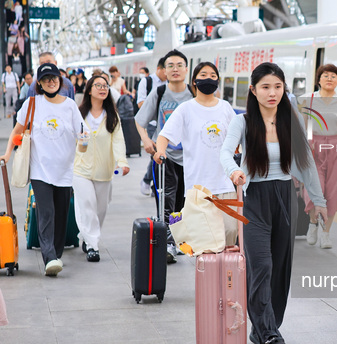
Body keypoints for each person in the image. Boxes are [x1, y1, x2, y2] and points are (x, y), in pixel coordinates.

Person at [220, 62, 327, 344]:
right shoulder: (242, 122)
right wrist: (233, 171)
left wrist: (318, 200)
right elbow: (226, 152)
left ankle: (264, 327)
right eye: (265, 87)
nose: (272, 93)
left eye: (277, 86)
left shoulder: (289, 122)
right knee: (261, 267)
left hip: (284, 198)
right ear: (252, 90)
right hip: (254, 199)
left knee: (280, 270)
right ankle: (269, 334)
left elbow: (305, 162)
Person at [0, 63, 87, 277]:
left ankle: (55, 255)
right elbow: (16, 131)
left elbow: (82, 137)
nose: (51, 81)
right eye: (46, 78)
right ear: (39, 83)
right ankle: (49, 257)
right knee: (46, 212)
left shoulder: (69, 106)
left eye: (54, 78)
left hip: (65, 171)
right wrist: (7, 153)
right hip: (40, 170)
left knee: (61, 216)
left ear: (60, 80)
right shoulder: (32, 103)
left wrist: (84, 143)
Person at [154, 61, 237, 245]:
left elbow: (238, 138)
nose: (209, 79)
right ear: (194, 82)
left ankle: (226, 273)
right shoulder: (186, 109)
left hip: (225, 184)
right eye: (203, 75)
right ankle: (208, 274)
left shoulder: (225, 108)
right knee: (205, 240)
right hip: (198, 188)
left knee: (231, 233)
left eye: (213, 76)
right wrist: (160, 151)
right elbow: (164, 136)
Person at [135, 50, 194, 263]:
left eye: (180, 65)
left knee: (184, 202)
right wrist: (147, 140)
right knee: (166, 201)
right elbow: (139, 121)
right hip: (164, 157)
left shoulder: (194, 94)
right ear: (164, 70)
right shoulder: (159, 93)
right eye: (171, 66)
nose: (175, 69)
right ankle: (168, 243)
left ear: (187, 69)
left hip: (190, 158)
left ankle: (178, 239)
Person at [73, 75, 129, 262]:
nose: (102, 88)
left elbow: (118, 140)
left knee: (100, 210)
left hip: (104, 172)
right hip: (81, 169)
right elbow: (70, 140)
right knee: (87, 205)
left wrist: (122, 161)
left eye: (105, 86)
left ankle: (86, 236)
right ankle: (93, 246)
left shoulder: (112, 116)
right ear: (89, 90)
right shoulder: (79, 114)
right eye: (98, 85)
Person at [298, 63, 337, 249]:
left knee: (333, 191)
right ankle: (312, 224)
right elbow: (304, 125)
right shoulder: (309, 99)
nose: (329, 79)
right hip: (314, 147)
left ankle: (326, 234)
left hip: (336, 147)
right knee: (314, 188)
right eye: (325, 75)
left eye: (333, 76)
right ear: (318, 79)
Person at [137, 58, 167, 196]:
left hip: (165, 125)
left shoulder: (170, 84)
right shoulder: (147, 82)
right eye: (167, 69)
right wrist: (157, 109)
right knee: (155, 155)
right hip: (151, 124)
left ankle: (156, 185)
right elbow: (140, 103)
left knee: (162, 155)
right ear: (159, 69)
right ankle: (148, 180)